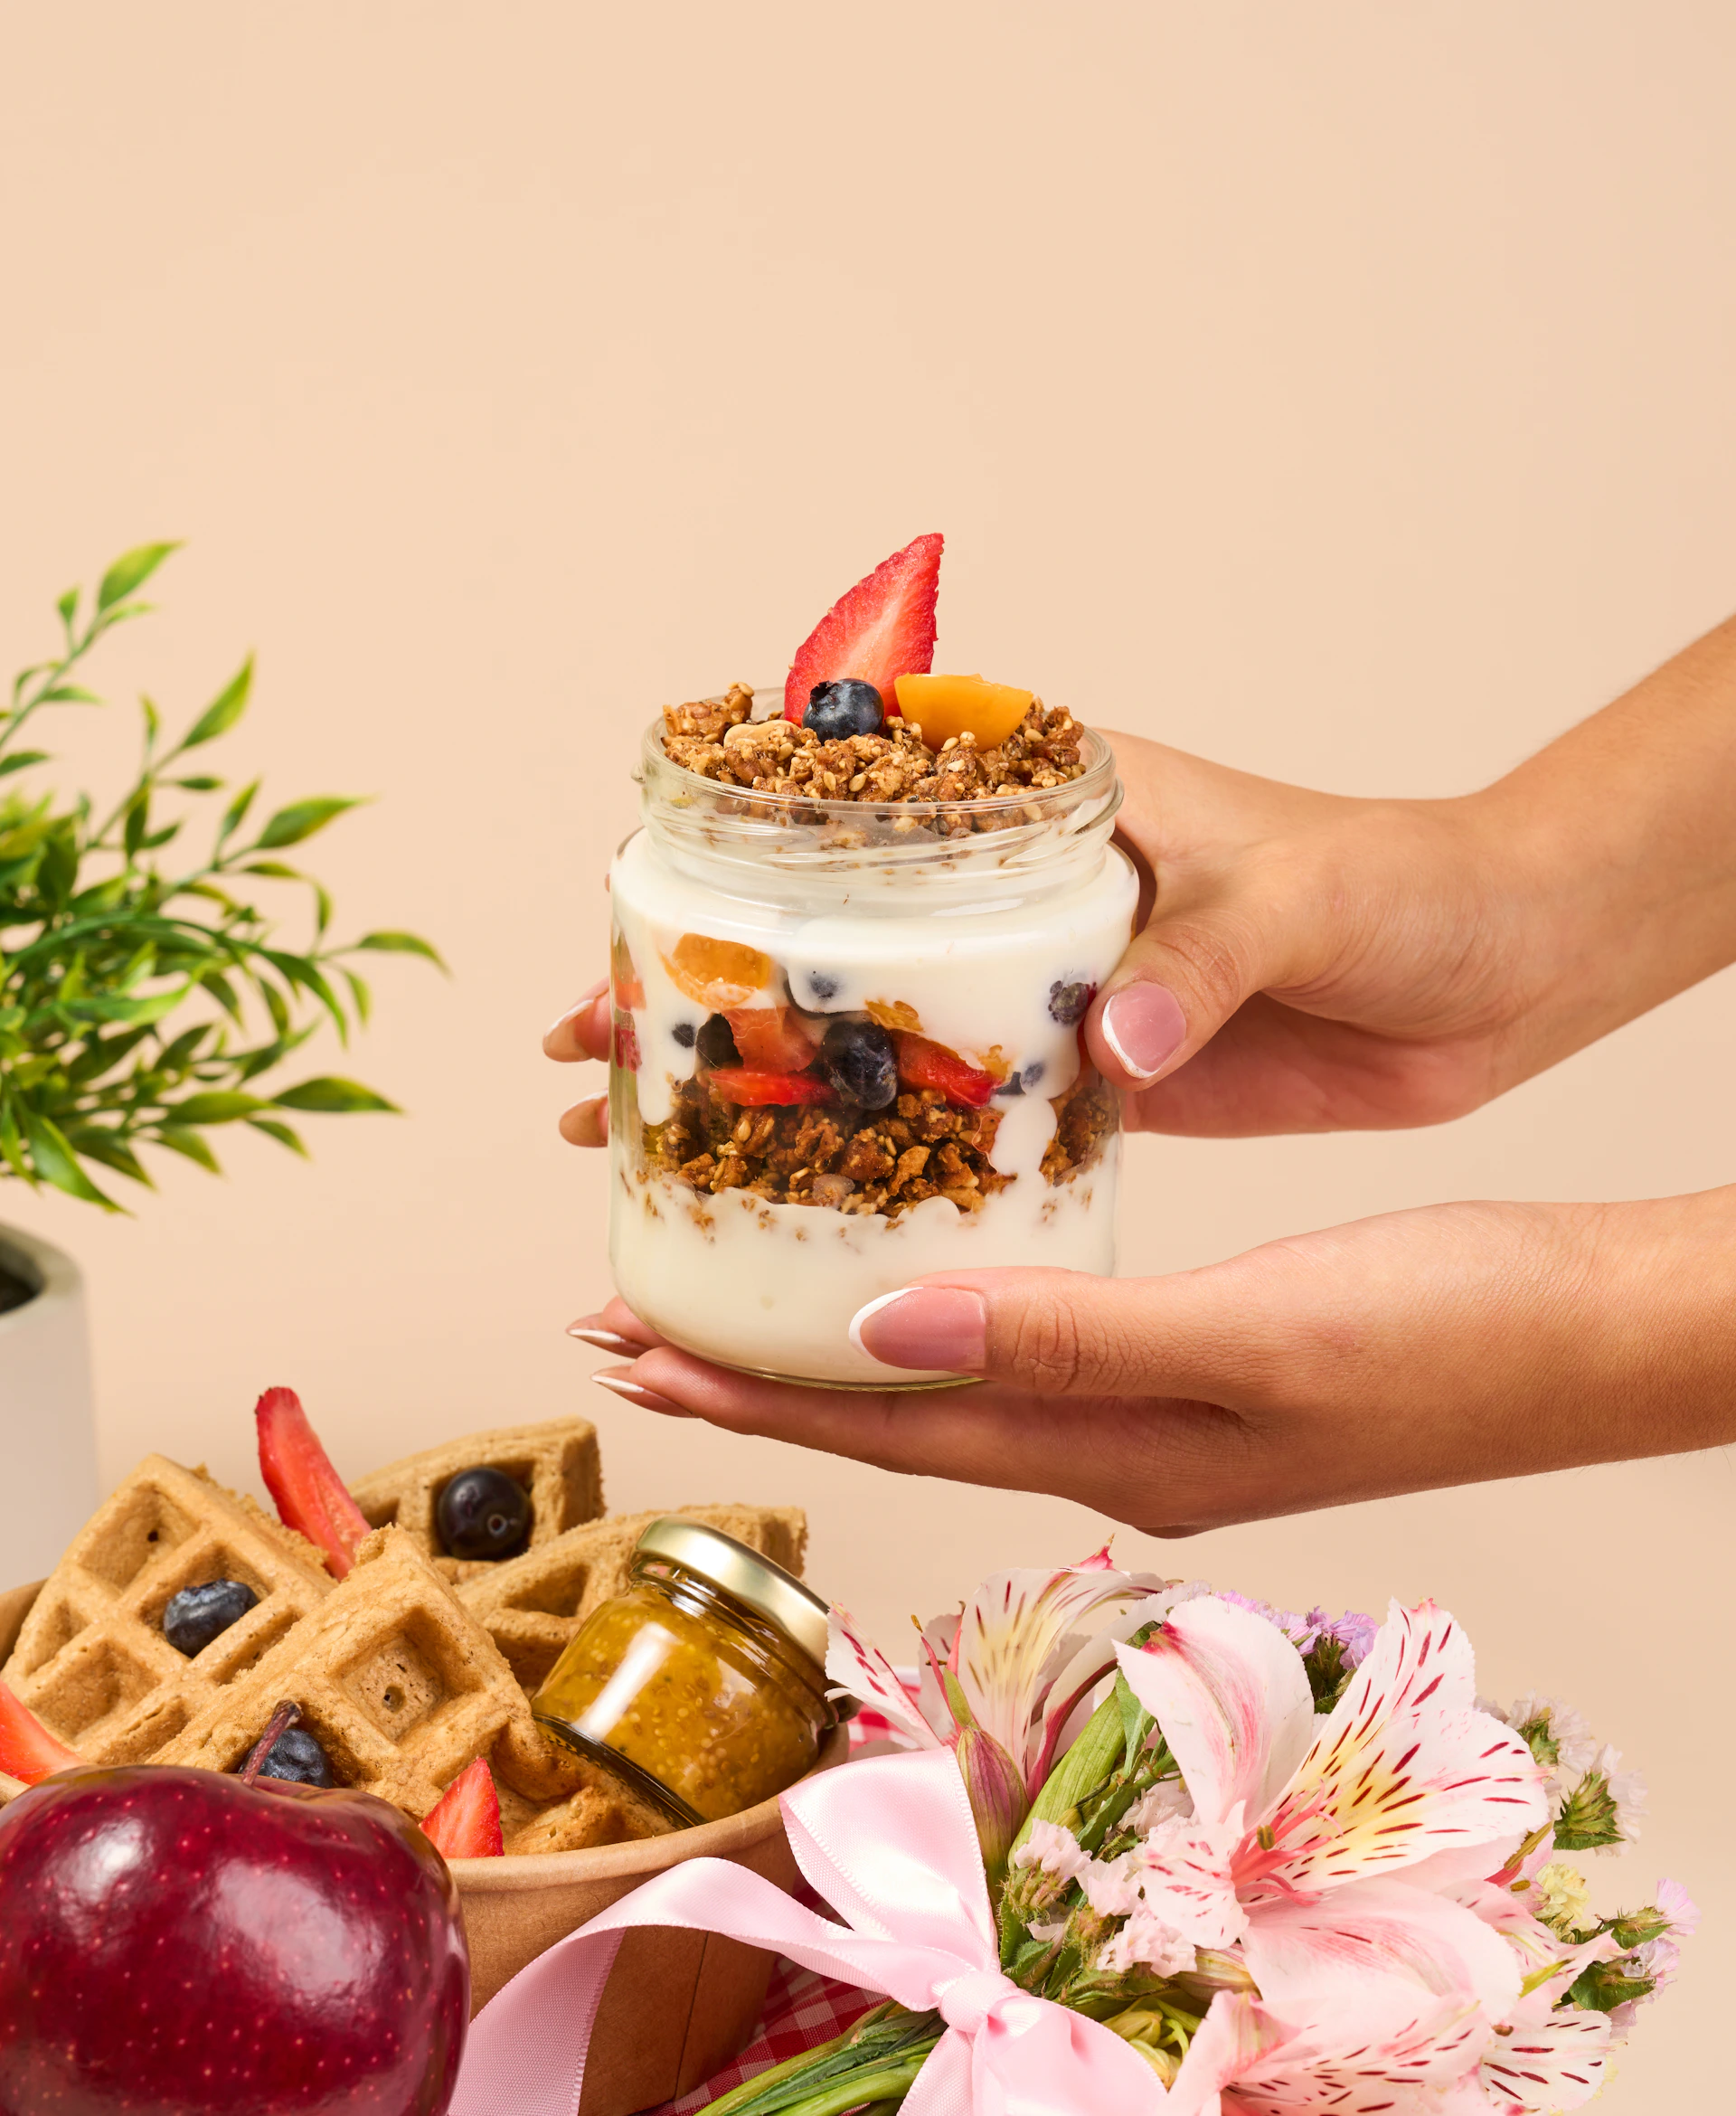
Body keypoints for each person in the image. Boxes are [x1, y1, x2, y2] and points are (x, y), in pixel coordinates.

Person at [545, 613, 1736, 1535]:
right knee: (734, 1067)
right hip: (772, 878)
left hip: (1009, 884)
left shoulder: (1061, 882)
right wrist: (1511, 902)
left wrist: (1601, 1321)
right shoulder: (674, 874)